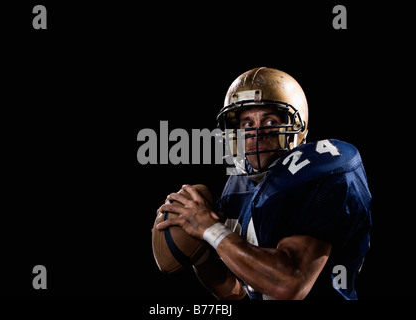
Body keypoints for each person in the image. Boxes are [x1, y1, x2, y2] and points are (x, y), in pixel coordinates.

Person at [156, 67, 372, 300]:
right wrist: (201, 254)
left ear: (295, 128)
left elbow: (290, 284)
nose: (257, 133)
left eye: (270, 120)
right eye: (247, 124)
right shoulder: (236, 188)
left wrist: (211, 229)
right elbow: (236, 291)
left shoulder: (316, 175)